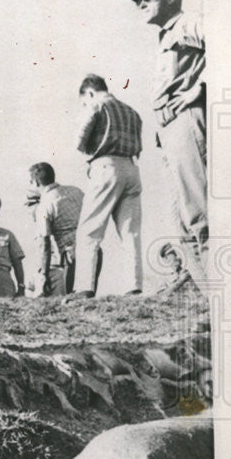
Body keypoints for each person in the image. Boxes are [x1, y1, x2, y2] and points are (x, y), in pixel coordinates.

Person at [131, 0, 207, 286]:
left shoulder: (188, 23)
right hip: (169, 130)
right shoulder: (166, 35)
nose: (142, 3)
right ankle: (215, 304)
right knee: (183, 228)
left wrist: (202, 88)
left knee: (201, 218)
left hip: (187, 119)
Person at [72, 75, 144, 297]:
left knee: (89, 230)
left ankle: (84, 287)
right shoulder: (132, 112)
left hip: (105, 166)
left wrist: (87, 149)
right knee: (130, 232)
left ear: (90, 93)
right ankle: (133, 286)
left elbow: (79, 140)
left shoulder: (95, 104)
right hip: (131, 169)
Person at [27, 163, 84, 296]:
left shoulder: (44, 205)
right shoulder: (77, 191)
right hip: (92, 251)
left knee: (69, 303)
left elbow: (44, 244)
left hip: (70, 257)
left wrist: (44, 276)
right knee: (87, 302)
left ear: (36, 182)